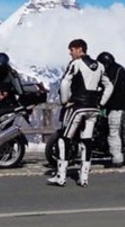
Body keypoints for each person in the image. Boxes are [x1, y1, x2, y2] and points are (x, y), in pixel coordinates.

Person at [48, 39, 113, 188]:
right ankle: (84, 177)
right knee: (87, 141)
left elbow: (65, 83)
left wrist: (65, 101)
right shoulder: (100, 66)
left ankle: (61, 176)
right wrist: (101, 103)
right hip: (93, 108)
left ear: (79, 49)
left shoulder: (76, 64)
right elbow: (109, 86)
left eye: (71, 50)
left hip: (78, 107)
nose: (70, 53)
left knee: (64, 139)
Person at [97, 51, 125, 168]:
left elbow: (110, 88)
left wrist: (99, 98)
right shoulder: (120, 69)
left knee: (113, 132)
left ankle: (117, 159)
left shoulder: (113, 71)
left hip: (117, 106)